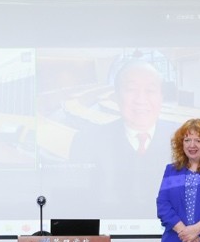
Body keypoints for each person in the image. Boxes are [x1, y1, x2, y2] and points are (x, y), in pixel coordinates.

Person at [70, 58, 176, 214]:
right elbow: (78, 205)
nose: (141, 100)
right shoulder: (86, 141)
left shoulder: (184, 141)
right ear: (116, 96)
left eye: (150, 91)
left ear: (162, 97)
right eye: (131, 89)